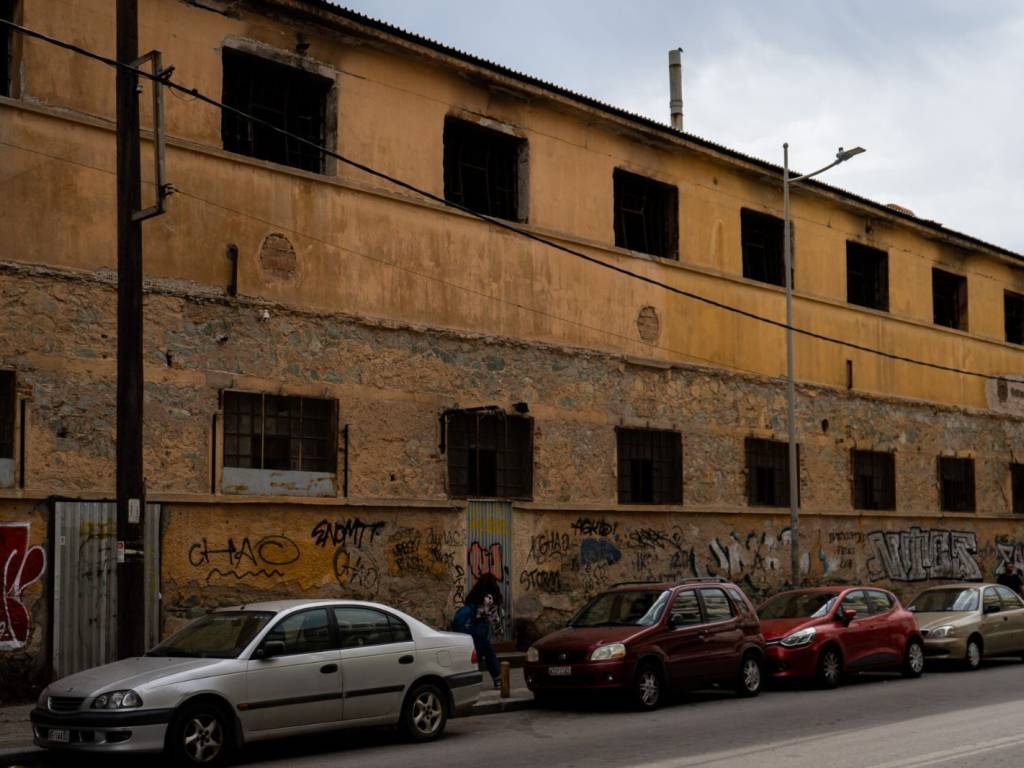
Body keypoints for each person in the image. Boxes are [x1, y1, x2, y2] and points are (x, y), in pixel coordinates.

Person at [454, 573, 504, 689]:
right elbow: (493, 616)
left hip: (469, 629)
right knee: (489, 654)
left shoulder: (474, 593)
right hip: (478, 630)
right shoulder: (488, 597)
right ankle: (498, 681)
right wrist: (499, 632)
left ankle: (469, 682)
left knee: (478, 655)